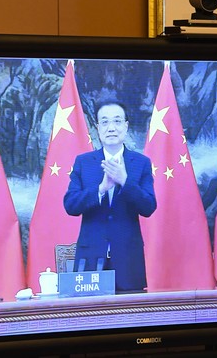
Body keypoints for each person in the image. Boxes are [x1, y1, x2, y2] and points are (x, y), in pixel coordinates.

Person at [63, 100, 157, 292]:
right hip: (90, 261)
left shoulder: (141, 163)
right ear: (97, 128)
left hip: (128, 261)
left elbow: (148, 206)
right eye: (104, 122)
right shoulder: (84, 162)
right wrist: (101, 189)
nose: (111, 127)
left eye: (117, 121)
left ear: (126, 126)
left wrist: (125, 181)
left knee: (131, 318)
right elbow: (70, 205)